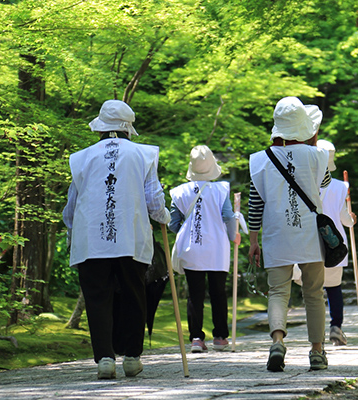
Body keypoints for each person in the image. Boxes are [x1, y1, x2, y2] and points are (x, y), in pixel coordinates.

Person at [62, 99, 171, 379]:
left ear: (101, 128)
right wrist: (164, 218)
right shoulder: (143, 154)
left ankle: (105, 359)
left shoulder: (82, 157)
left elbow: (71, 207)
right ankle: (132, 358)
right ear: (127, 129)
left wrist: (73, 234)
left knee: (97, 299)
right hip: (131, 239)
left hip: (91, 241)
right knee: (135, 294)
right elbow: (153, 199)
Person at [248, 96, 331, 372]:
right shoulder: (317, 155)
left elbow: (255, 202)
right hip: (309, 236)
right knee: (313, 293)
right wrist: (313, 143)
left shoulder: (260, 160)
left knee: (277, 292)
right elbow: (326, 181)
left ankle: (277, 342)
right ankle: (317, 351)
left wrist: (252, 241)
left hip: (276, 235)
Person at [168, 145, 239, 353]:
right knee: (218, 292)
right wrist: (233, 236)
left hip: (192, 249)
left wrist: (186, 229)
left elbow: (174, 224)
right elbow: (228, 216)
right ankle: (220, 336)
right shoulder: (221, 190)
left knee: (195, 294)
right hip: (217, 248)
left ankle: (197, 338)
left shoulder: (179, 192)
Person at [293, 139, 357, 346]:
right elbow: (345, 219)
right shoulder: (339, 187)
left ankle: (317, 334)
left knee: (314, 289)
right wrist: (352, 219)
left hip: (309, 242)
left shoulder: (302, 184)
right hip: (334, 245)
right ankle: (336, 327)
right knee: (334, 287)